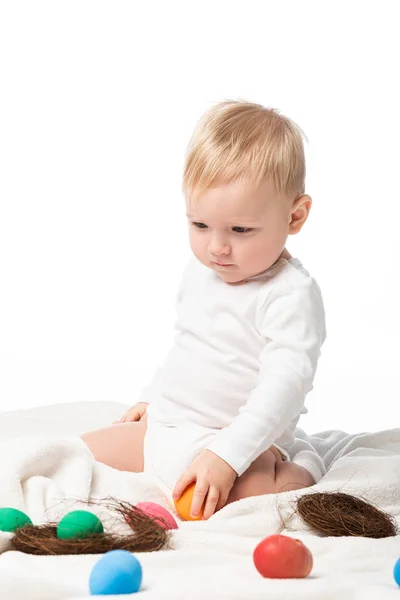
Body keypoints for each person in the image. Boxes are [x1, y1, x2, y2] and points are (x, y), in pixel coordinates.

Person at [81, 100, 327, 520]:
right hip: (169, 430)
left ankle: (298, 469)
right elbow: (189, 349)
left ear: (295, 216)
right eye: (199, 225)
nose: (216, 246)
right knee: (81, 454)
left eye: (240, 229)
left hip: (241, 441)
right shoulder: (201, 274)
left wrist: (227, 457)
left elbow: (284, 386)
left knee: (246, 496)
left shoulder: (289, 294)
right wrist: (153, 398)